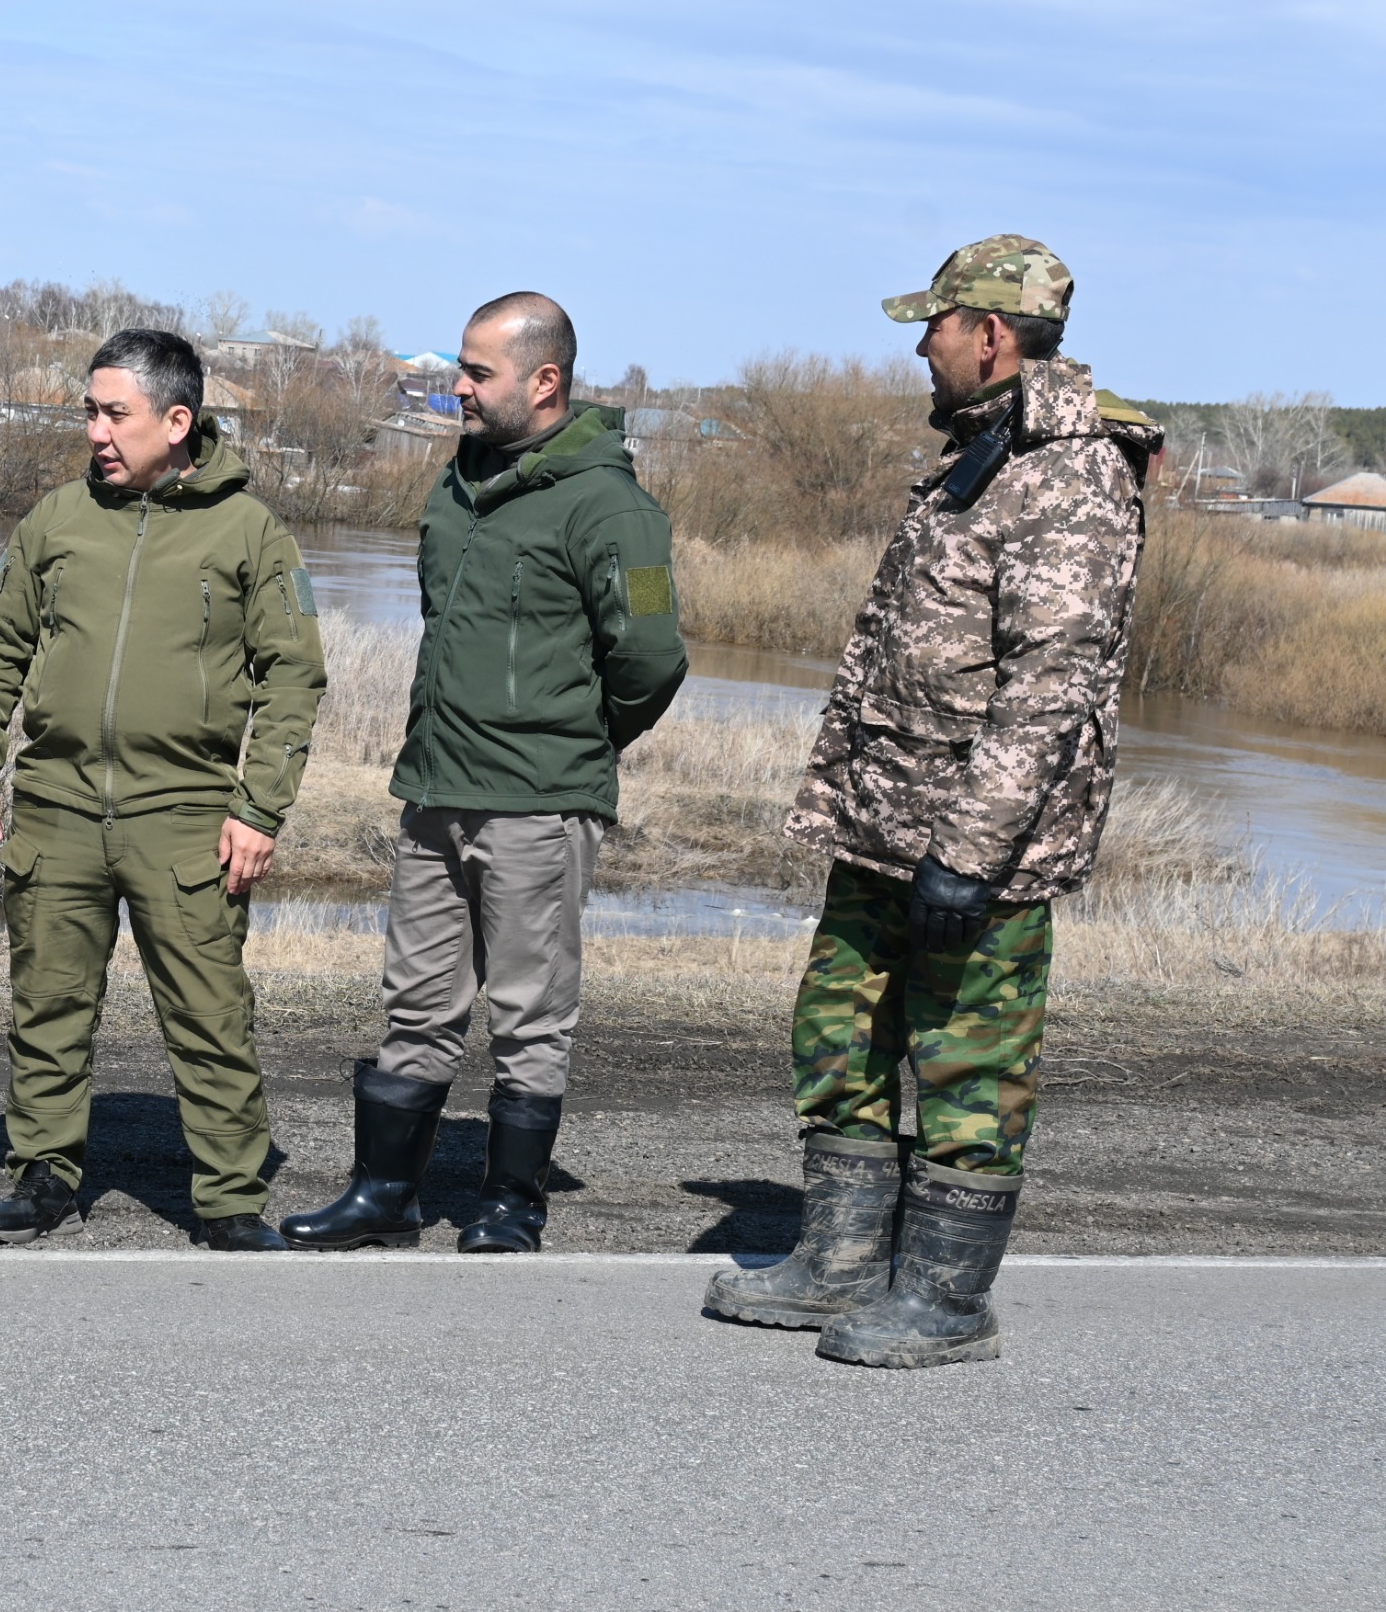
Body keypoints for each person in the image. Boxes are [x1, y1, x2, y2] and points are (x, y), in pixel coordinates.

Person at [704, 236, 1160, 1367]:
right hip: (882, 827)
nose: (922, 347)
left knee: (969, 1062)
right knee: (838, 1034)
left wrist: (970, 851)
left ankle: (947, 1300)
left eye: (936, 326)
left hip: (972, 850)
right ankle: (841, 1264)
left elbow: (1051, 686)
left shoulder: (1070, 472)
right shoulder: (986, 450)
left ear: (991, 335)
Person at [281, 294, 686, 1253]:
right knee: (415, 1004)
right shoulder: (457, 485)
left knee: (528, 1015)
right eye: (458, 369)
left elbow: (652, 657)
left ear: (544, 382)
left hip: (536, 805)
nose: (455, 388)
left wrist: (572, 745)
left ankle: (511, 1206)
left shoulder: (613, 508)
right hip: (435, 791)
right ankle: (384, 1196)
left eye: (475, 372)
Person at [0, 329, 326, 1251]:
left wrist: (259, 808)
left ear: (178, 420)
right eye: (90, 411)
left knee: (209, 1013)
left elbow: (292, 677)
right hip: (57, 806)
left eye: (115, 414)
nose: (96, 432)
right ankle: (43, 1175)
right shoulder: (56, 520)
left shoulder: (250, 531)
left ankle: (230, 1197)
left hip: (186, 816)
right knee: (47, 1004)